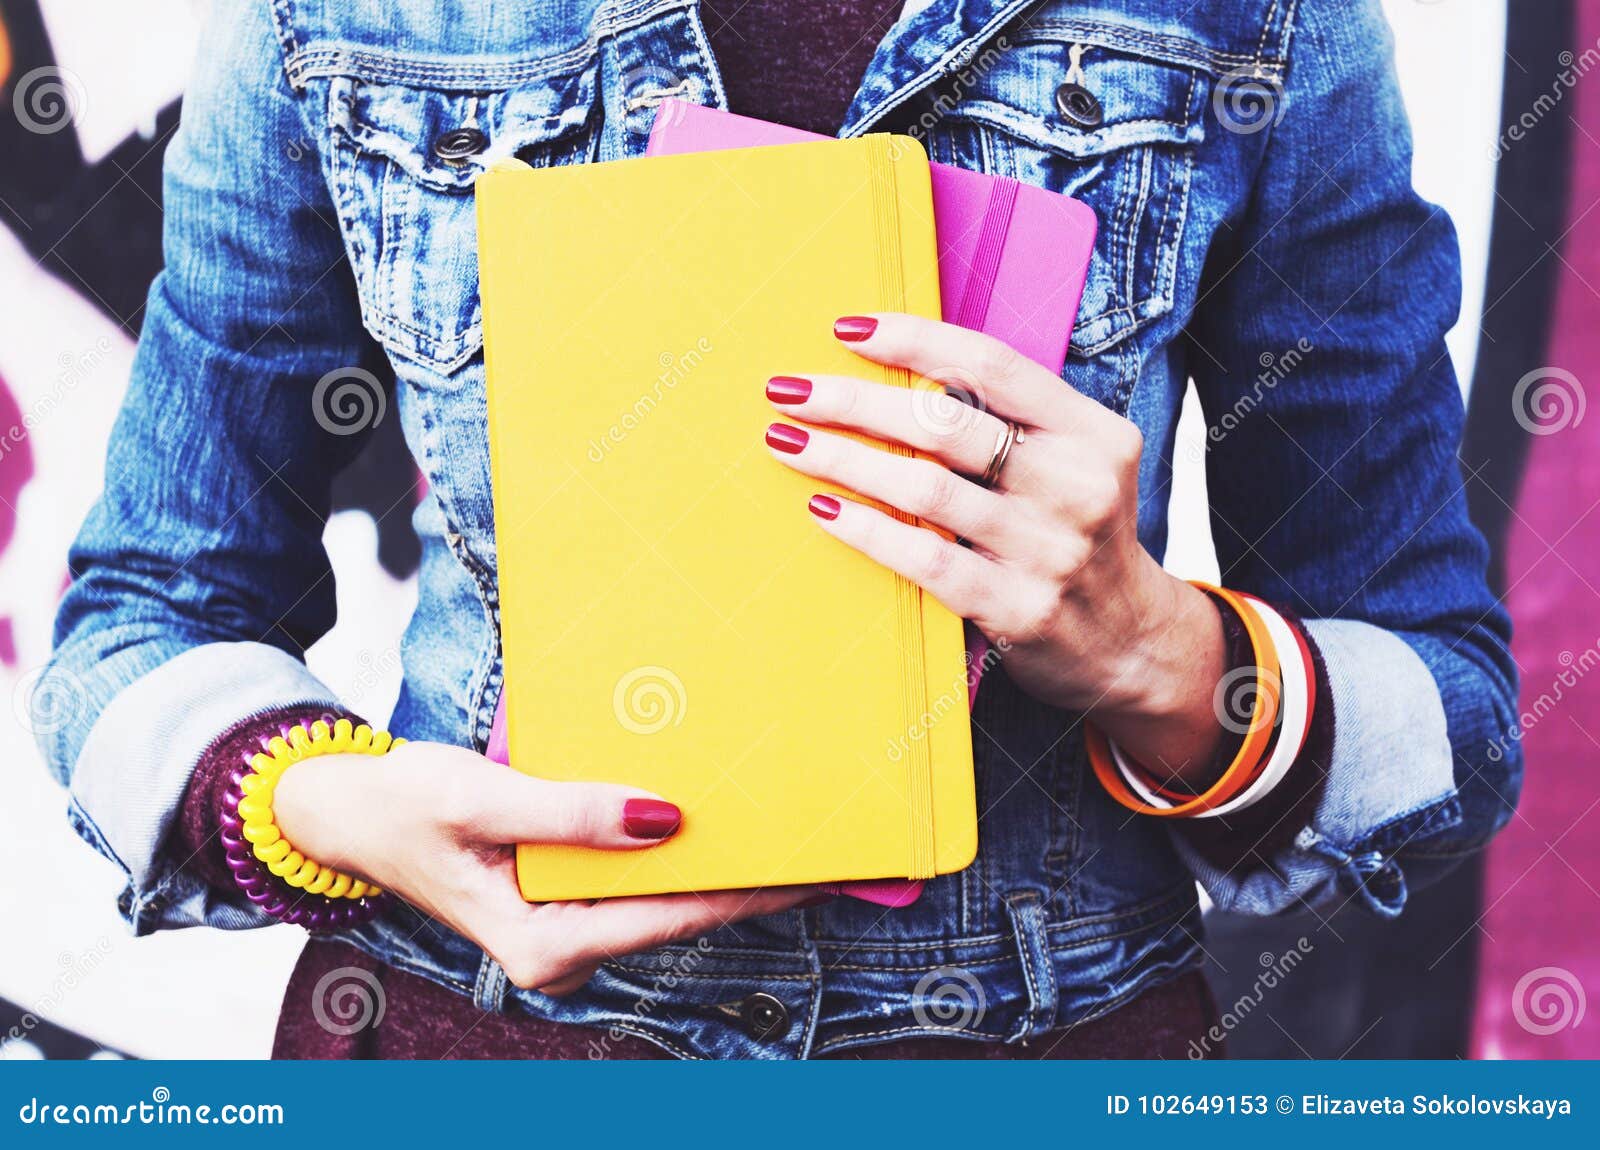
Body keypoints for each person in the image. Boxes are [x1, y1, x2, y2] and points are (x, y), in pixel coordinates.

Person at [40, 0, 1520, 1059]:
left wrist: (1173, 657)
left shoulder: (1259, 18)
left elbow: (1449, 717)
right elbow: (138, 623)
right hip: (466, 1043)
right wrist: (333, 811)